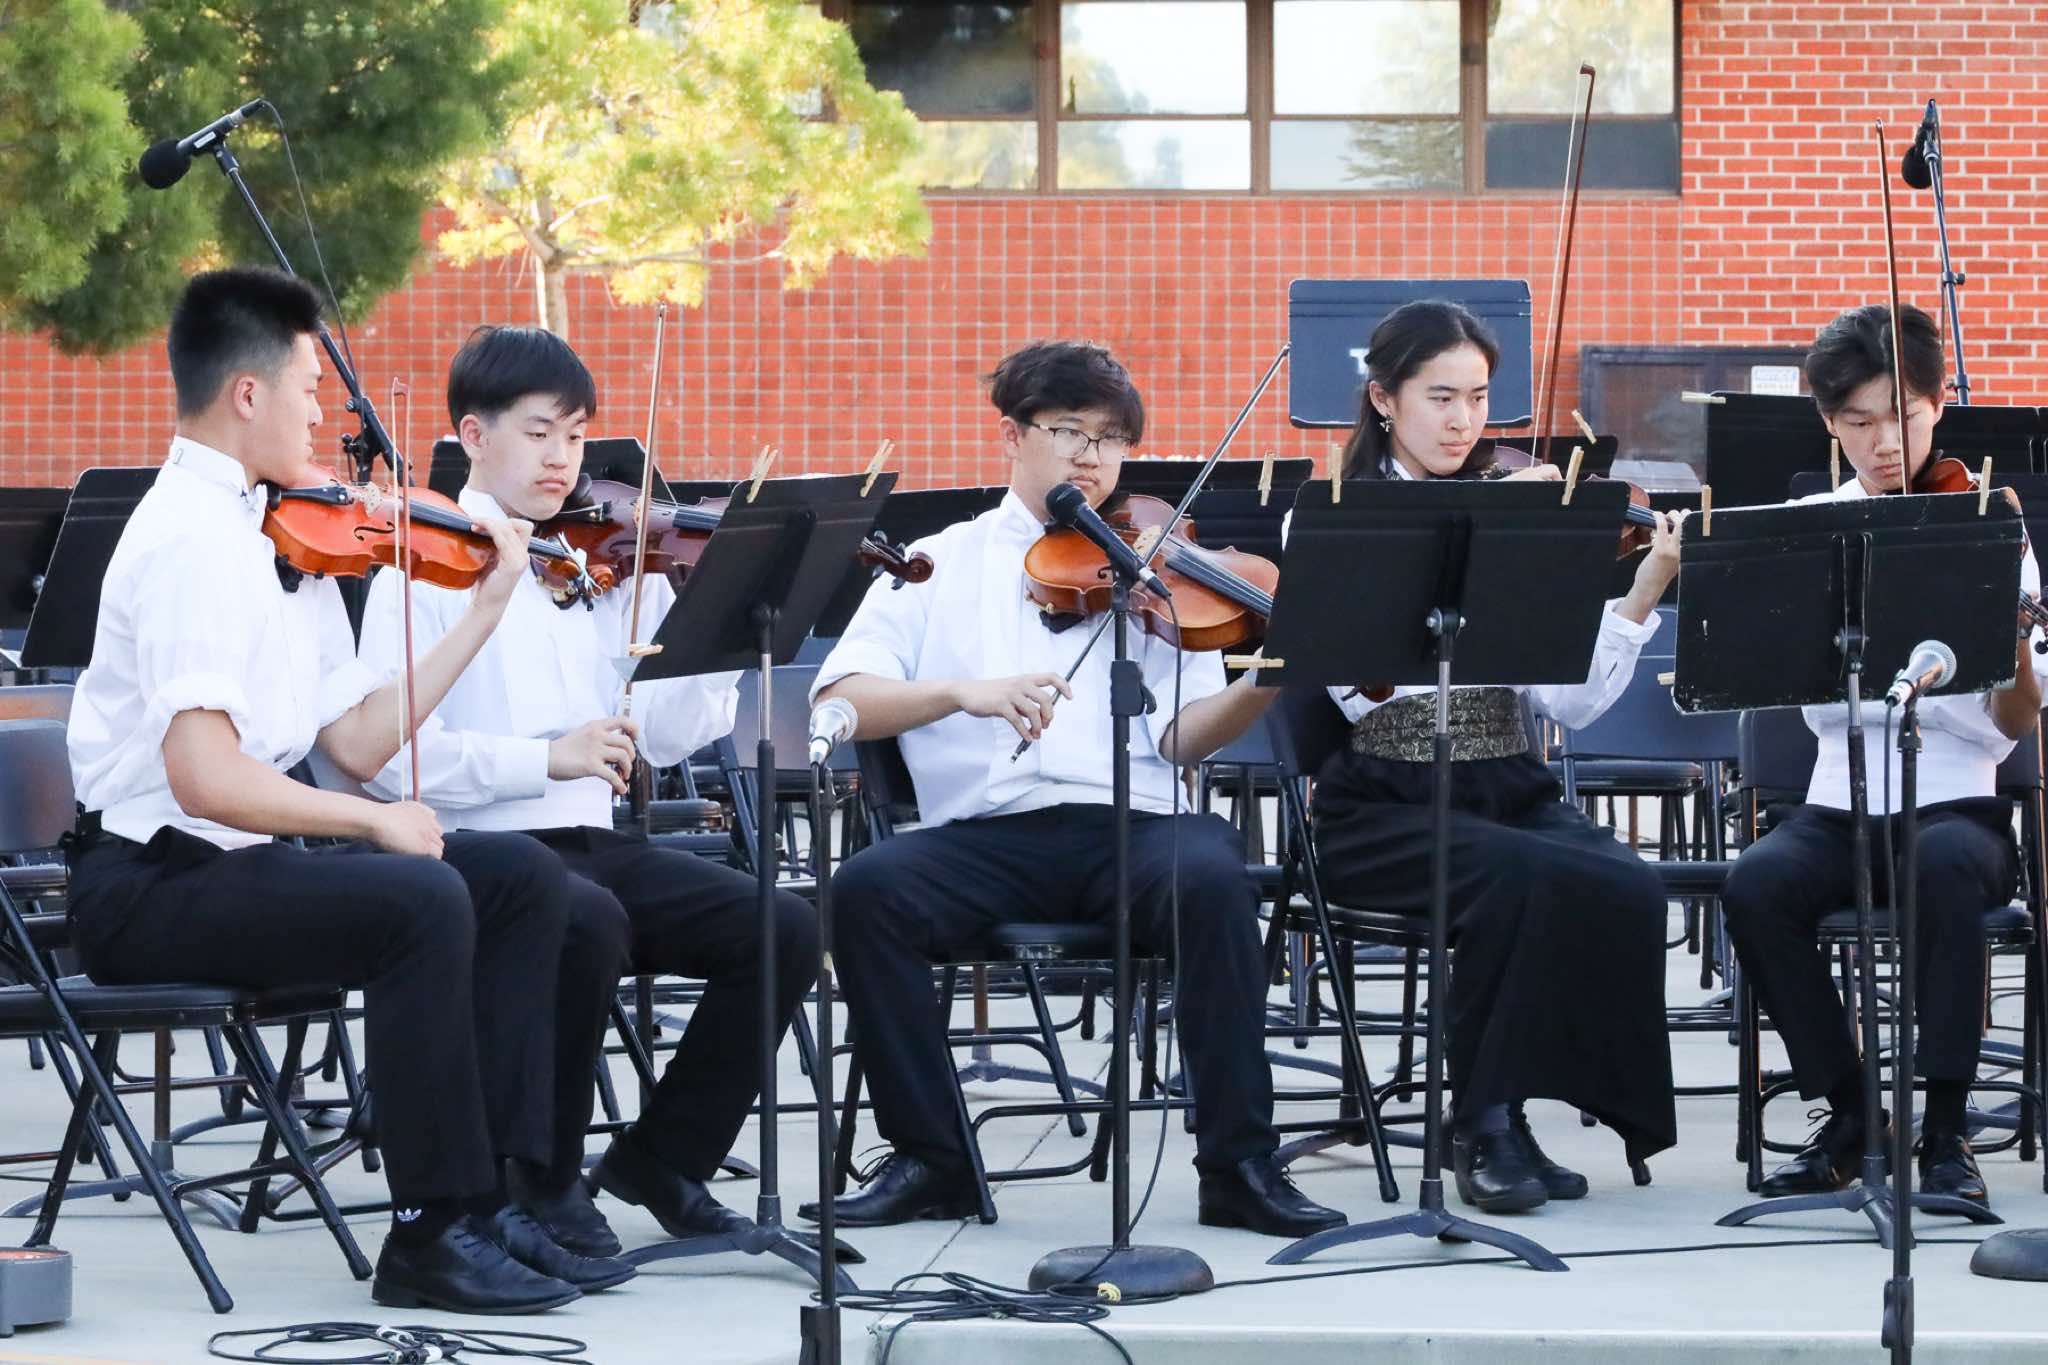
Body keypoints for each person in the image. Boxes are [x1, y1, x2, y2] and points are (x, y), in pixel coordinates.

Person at [63, 268, 626, 1313]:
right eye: (310, 390)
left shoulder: (283, 530)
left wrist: (484, 608)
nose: (324, 415)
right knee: (419, 898)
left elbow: (361, 738)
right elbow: (203, 775)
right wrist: (372, 823)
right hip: (147, 885)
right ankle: (430, 1231)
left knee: (523, 880)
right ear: (248, 394)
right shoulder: (189, 537)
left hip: (236, 865)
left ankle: (503, 1198)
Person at [801, 340, 1341, 1237]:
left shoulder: (1154, 569)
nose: (1093, 457)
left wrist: (1264, 683)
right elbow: (842, 698)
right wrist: (961, 692)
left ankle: (1239, 1165)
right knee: (864, 890)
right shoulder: (938, 563)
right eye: (1070, 432)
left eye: (1112, 439)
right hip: (983, 837)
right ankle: (933, 1159)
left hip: (1135, 829)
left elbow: (1180, 735)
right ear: (1012, 435)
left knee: (1214, 874)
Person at [357, 325, 815, 1254]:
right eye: (539, 434)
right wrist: (545, 760)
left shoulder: (584, 567)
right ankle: (542, 1176)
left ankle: (665, 1157)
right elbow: (393, 761)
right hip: (478, 852)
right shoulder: (420, 564)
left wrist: (712, 626)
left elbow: (668, 736)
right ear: (473, 435)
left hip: (594, 843)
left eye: (575, 436)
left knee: (785, 924)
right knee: (584, 917)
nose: (562, 459)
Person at [1303, 299, 1682, 1214]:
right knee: (1516, 877)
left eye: (1477, 398)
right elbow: (1362, 692)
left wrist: (1641, 589)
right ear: (1384, 399)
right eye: (1441, 397)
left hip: (1507, 784)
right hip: (1384, 800)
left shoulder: (1523, 517)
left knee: (1629, 884)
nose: (1463, 420)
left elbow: (1568, 704)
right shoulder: (1339, 519)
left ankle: (1523, 1104)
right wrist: (1474, 559)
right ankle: (1480, 1118)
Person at [1719, 302, 2045, 1208]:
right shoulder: (1812, 525)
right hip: (1838, 807)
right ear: (1830, 424)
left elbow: (2014, 720)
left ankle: (1946, 1129)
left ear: (1937, 404)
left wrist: (2016, 647)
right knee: (1755, 882)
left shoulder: (1987, 526)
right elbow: (1817, 706)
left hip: (1958, 808)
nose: (1885, 442)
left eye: (1902, 414)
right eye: (1859, 421)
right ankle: (1855, 1114)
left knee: (1944, 866)